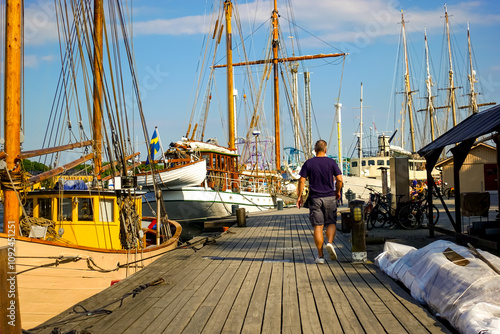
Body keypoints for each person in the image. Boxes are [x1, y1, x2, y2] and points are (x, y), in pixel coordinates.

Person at [296, 140, 343, 264]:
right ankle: (330, 243)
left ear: (315, 150)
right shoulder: (331, 162)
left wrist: (299, 196)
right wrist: (337, 191)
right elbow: (339, 179)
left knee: (318, 226)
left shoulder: (309, 163)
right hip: (329, 197)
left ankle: (320, 256)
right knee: (331, 222)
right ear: (326, 150)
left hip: (315, 198)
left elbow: (301, 181)